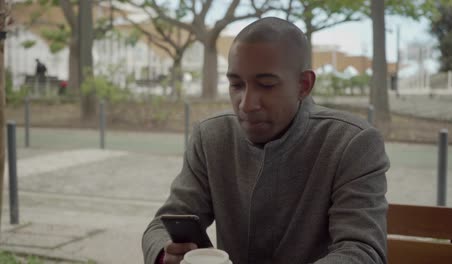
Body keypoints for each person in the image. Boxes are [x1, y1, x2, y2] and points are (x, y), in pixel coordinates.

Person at [142, 17, 389, 264]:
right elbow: (161, 227)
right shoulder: (212, 138)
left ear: (304, 85)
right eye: (236, 85)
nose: (247, 104)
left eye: (266, 85)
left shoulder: (352, 143)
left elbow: (362, 251)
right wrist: (167, 255)